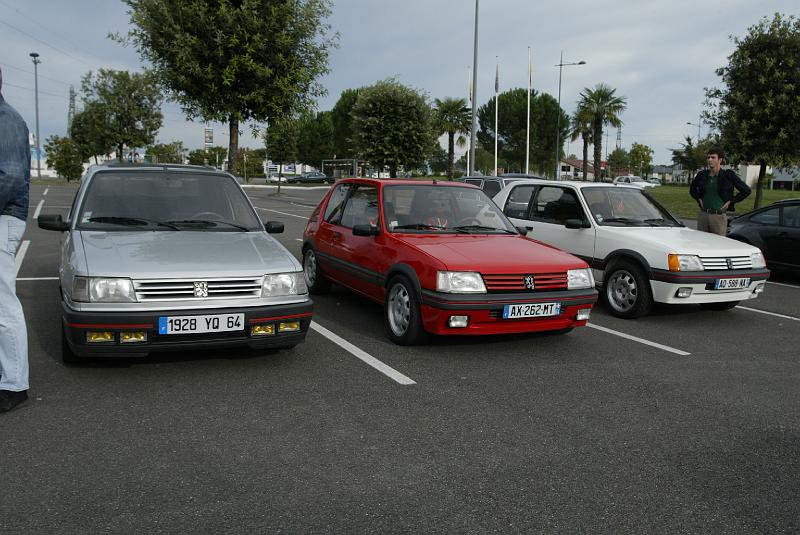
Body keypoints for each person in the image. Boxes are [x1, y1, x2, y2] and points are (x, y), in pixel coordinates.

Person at [0, 67, 31, 413]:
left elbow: (8, 177)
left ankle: (13, 383)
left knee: (3, 305)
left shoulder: (6, 119)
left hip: (3, 218)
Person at [689, 147, 751, 235]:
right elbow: (692, 189)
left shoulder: (728, 175)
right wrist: (698, 198)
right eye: (708, 157)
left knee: (718, 245)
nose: (710, 160)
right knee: (701, 245)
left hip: (718, 217)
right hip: (703, 215)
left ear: (720, 160)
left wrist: (731, 201)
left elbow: (746, 190)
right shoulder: (702, 175)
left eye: (713, 157)